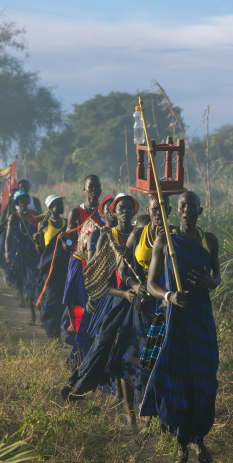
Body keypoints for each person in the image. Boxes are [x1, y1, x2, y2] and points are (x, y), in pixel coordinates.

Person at [141, 191, 221, 463]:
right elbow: (151, 284)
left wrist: (208, 281)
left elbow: (217, 277)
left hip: (201, 320)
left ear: (201, 208)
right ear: (176, 210)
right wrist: (169, 296)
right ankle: (182, 452)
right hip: (176, 319)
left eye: (192, 206)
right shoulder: (166, 241)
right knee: (178, 381)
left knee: (205, 380)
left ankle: (199, 438)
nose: (187, 210)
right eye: (182, 206)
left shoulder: (208, 240)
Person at [61, 193, 140, 421]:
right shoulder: (107, 237)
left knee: (127, 349)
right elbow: (97, 279)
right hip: (114, 299)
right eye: (121, 208)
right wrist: (121, 293)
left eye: (129, 208)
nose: (125, 211)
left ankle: (127, 400)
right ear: (114, 212)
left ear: (134, 212)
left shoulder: (139, 235)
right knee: (101, 348)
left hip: (136, 301)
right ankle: (76, 387)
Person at [106, 195, 173, 431]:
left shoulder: (175, 237)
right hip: (141, 306)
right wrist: (134, 286)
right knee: (128, 360)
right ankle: (130, 417)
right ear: (148, 209)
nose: (159, 213)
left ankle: (150, 417)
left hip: (165, 307)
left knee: (157, 363)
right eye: (155, 209)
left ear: (170, 210)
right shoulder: (138, 235)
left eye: (163, 209)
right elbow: (123, 268)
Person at [62, 175, 105, 334]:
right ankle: (74, 330)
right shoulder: (76, 213)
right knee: (78, 302)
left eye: (97, 187)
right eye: (91, 187)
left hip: (99, 263)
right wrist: (68, 244)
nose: (94, 190)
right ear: (84, 189)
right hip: (79, 262)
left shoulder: (105, 212)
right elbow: (67, 240)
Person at [35, 195, 70, 339]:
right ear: (50, 208)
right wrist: (37, 243)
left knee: (63, 300)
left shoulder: (67, 223)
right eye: (57, 204)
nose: (61, 207)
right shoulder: (44, 225)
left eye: (61, 204)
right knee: (50, 300)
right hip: (50, 270)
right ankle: (51, 332)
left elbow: (70, 245)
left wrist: (65, 244)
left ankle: (60, 331)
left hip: (65, 269)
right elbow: (42, 251)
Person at [5, 190, 41, 325]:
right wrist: (7, 253)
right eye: (21, 201)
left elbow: (42, 232)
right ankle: (33, 316)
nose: (24, 203)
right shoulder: (13, 217)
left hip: (35, 254)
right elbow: (8, 237)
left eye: (25, 200)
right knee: (28, 285)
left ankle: (42, 314)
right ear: (17, 203)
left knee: (38, 283)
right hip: (21, 256)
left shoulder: (35, 215)